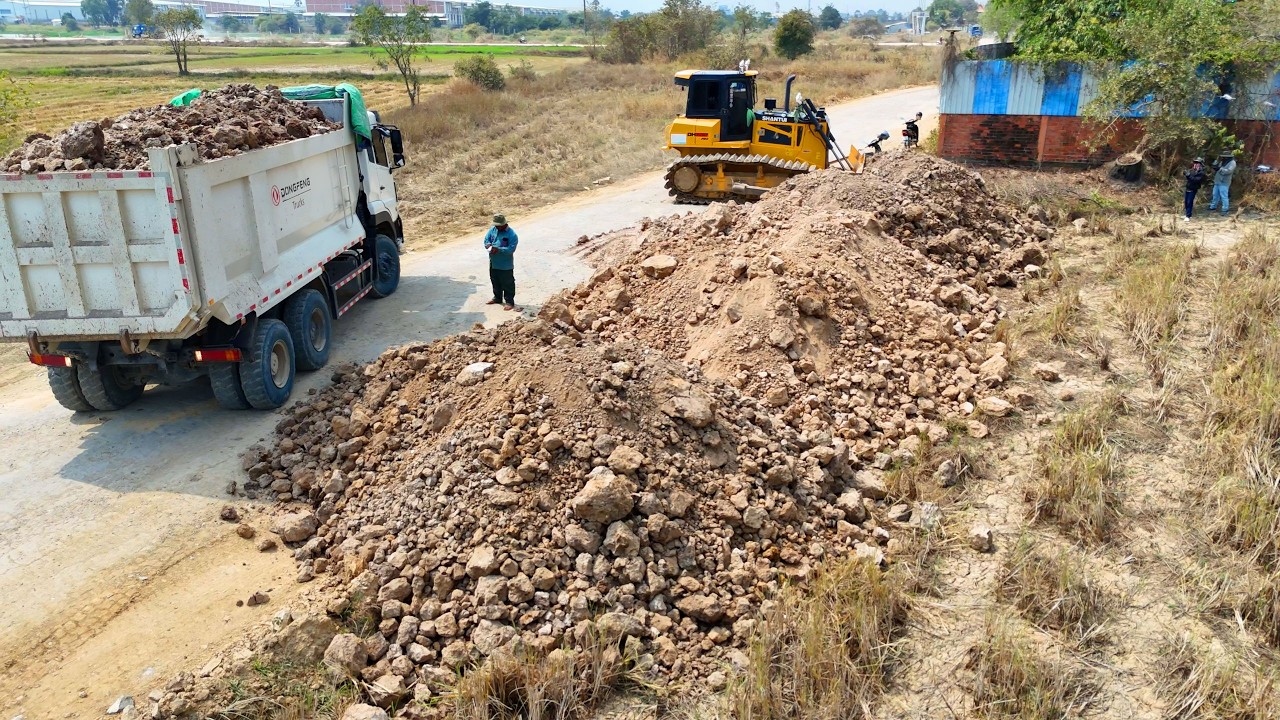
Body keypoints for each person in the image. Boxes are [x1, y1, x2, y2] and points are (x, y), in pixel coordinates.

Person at [484, 214, 519, 311]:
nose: (497, 227)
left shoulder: (512, 235)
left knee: (508, 283)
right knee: (495, 280)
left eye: (499, 225)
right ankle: (497, 298)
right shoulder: (493, 230)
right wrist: (488, 245)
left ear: (504, 224)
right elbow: (486, 239)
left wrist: (499, 249)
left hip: (505, 265)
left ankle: (509, 302)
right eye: (496, 225)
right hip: (493, 262)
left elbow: (511, 249)